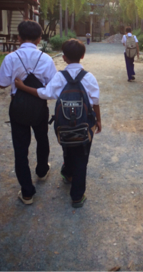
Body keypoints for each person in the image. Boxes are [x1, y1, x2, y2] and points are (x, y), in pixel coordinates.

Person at [15, 39, 102, 208]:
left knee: (68, 148)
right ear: (83, 56)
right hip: (84, 125)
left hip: (64, 126)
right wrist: (98, 120)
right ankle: (77, 197)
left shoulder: (60, 77)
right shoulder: (89, 77)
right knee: (82, 157)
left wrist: (22, 87)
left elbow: (44, 93)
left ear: (64, 58)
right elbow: (95, 101)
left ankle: (68, 174)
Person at [0, 20, 57, 205]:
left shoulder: (11, 58)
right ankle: (41, 170)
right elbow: (53, 87)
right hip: (39, 105)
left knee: (20, 148)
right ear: (39, 39)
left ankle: (27, 192)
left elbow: (2, 83)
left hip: (18, 107)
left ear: (18, 38)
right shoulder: (46, 59)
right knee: (42, 138)